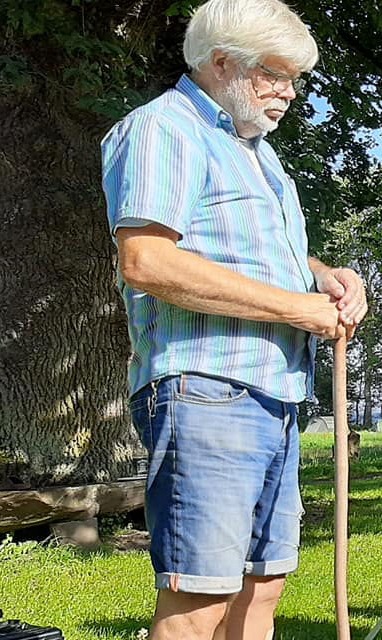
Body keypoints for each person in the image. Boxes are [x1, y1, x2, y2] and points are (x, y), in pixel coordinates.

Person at [100, 1, 367, 638]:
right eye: (276, 74)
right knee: (200, 601)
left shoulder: (254, 152)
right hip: (207, 389)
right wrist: (294, 308)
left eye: (296, 79)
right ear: (222, 63)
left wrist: (321, 277)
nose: (290, 93)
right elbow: (147, 261)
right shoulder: (163, 129)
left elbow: (246, 251)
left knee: (261, 587)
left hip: (273, 391)